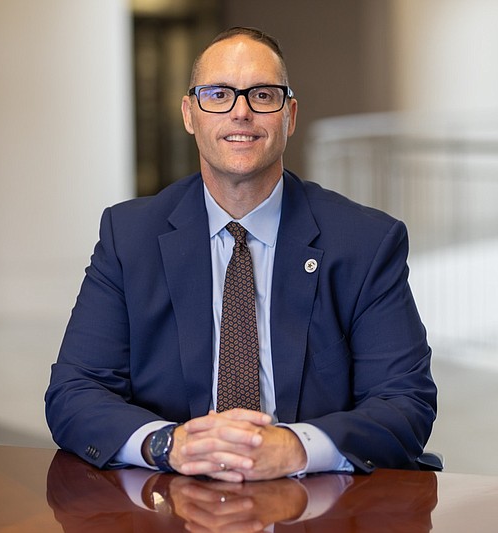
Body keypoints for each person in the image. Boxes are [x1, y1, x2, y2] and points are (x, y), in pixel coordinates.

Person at [45, 26, 436, 482]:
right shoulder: (129, 235)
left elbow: (404, 402)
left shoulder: (366, 242)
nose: (241, 112)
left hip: (317, 502)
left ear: (289, 116)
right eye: (218, 95)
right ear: (190, 114)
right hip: (169, 496)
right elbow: (74, 391)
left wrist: (296, 447)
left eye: (262, 95)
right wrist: (169, 444)